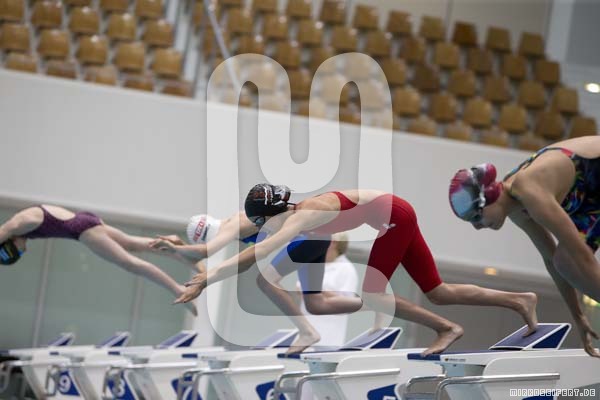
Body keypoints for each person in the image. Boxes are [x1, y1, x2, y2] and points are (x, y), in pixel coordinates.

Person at [175, 184, 539, 355]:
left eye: (259, 222)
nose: (257, 228)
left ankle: (446, 328)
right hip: (394, 213)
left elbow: (259, 252)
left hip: (394, 217)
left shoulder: (302, 216)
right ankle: (519, 299)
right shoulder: (293, 216)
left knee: (373, 295)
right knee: (438, 291)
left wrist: (207, 279)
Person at [449, 136, 600, 357]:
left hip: (592, 179)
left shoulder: (529, 189)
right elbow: (551, 260)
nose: (478, 227)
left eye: (476, 217)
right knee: (564, 262)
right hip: (590, 197)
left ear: (490, 196)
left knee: (572, 258)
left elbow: (582, 256)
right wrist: (579, 317)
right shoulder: (517, 208)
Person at [152, 211, 362, 353]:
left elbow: (205, 252)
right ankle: (366, 304)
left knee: (266, 282)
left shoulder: (232, 225)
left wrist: (176, 249)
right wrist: (179, 248)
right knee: (311, 300)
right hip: (315, 237)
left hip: (310, 238)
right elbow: (203, 263)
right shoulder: (236, 226)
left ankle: (309, 331)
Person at [0, 204, 200, 315]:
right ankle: (178, 251)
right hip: (84, 221)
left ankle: (179, 290)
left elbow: (4, 230)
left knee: (130, 263)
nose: (24, 252)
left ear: (9, 244)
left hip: (81, 230)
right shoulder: (23, 229)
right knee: (131, 243)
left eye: (19, 253)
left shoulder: (19, 224)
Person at [294, 232, 359, 347]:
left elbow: (348, 303)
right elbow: (300, 288)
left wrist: (319, 291)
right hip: (307, 329)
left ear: (333, 243)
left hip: (329, 335)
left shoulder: (346, 269)